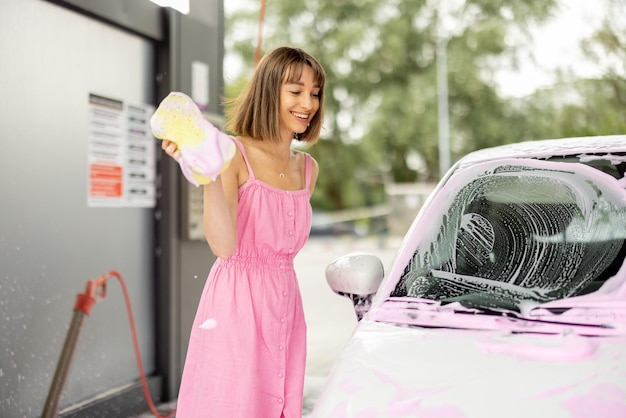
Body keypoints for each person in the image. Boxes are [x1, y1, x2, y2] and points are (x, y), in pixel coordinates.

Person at [161, 46, 326, 417]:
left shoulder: (308, 169)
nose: (308, 103)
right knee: (232, 404)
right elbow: (223, 245)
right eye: (296, 91)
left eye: (315, 93)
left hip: (285, 306)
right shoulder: (233, 153)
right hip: (236, 304)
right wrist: (207, 174)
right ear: (270, 91)